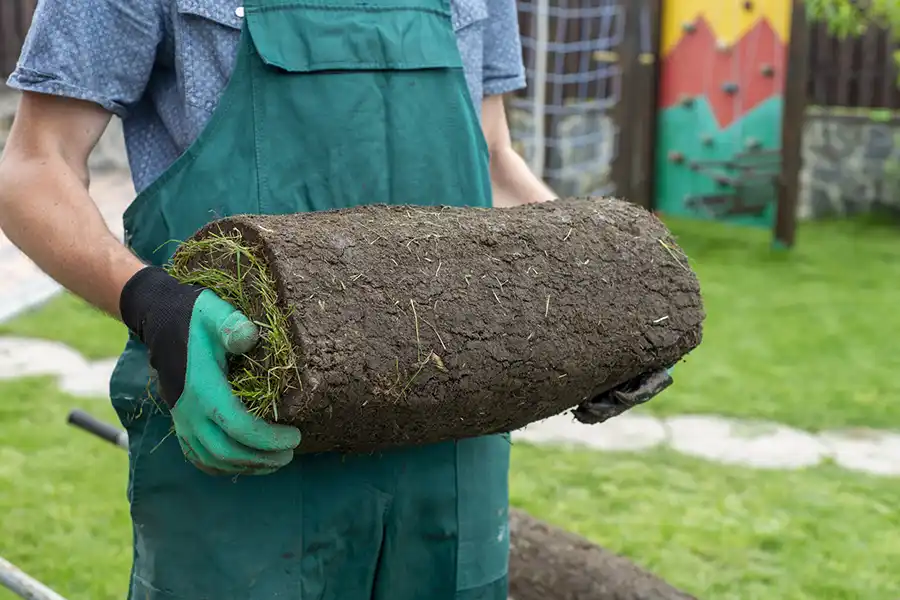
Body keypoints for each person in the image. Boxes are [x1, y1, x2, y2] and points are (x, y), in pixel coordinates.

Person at [0, 0, 672, 598]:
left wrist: (607, 304)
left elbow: (492, 159)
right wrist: (151, 301)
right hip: (240, 437)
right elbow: (36, 164)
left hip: (450, 459)